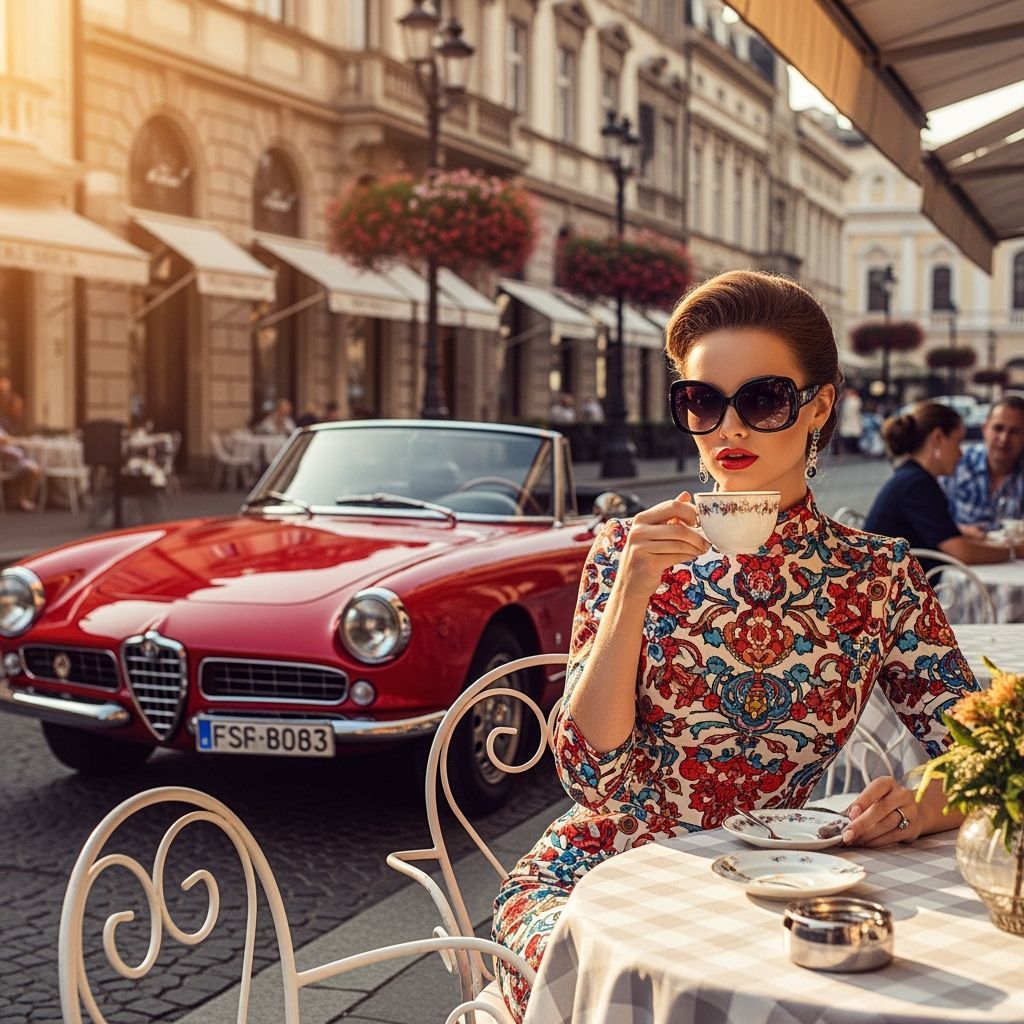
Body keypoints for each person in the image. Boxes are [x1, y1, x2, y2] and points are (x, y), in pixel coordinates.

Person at [491, 270, 978, 1022]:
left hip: (778, 880)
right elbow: (590, 780)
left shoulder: (878, 575)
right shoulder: (628, 547)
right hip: (595, 881)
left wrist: (916, 805)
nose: (730, 428)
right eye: (702, 401)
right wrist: (630, 592)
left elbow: (988, 753)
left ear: (818, 405)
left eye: (763, 398)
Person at [864, 401, 1015, 563]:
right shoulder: (917, 484)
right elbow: (962, 553)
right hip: (886, 585)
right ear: (937, 438)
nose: (960, 453)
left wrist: (961, 531)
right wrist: (1015, 551)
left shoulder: (911, 477)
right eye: (957, 442)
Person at [942, 395, 1024, 533]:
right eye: (998, 428)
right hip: (955, 553)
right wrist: (961, 531)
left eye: (1014, 432)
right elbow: (932, 521)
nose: (1004, 439)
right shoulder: (959, 464)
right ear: (985, 429)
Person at [0, 427, 41, 511]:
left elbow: (7, 438)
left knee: (36, 469)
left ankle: (23, 498)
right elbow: (4, 439)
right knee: (31, 471)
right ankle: (23, 499)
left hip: (17, 460)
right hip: (7, 463)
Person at [836, 385, 863, 455]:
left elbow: (846, 413)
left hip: (850, 421)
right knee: (850, 436)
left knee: (849, 436)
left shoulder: (852, 400)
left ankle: (852, 450)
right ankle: (852, 450)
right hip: (851, 422)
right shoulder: (855, 400)